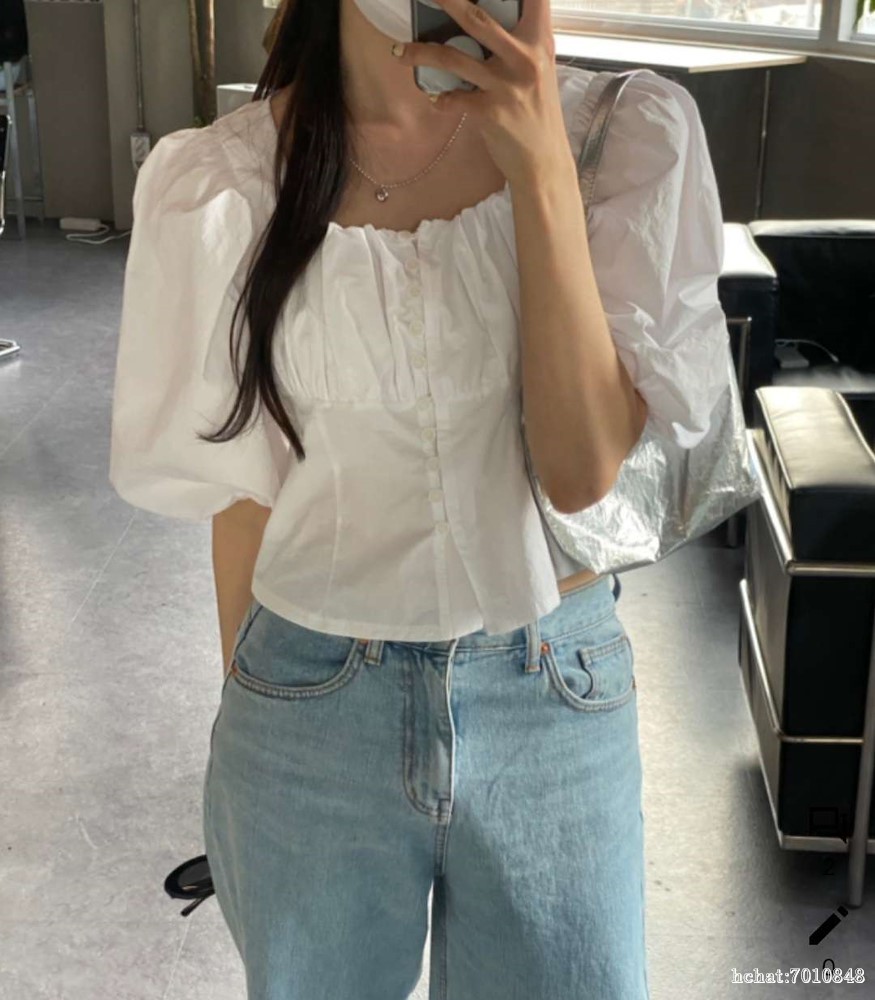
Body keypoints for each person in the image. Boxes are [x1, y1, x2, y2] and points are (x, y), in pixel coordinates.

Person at [109, 0, 731, 996]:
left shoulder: (619, 139)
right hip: (306, 704)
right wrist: (252, 716)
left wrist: (538, 169)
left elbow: (580, 471)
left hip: (549, 699)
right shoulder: (224, 180)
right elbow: (245, 497)